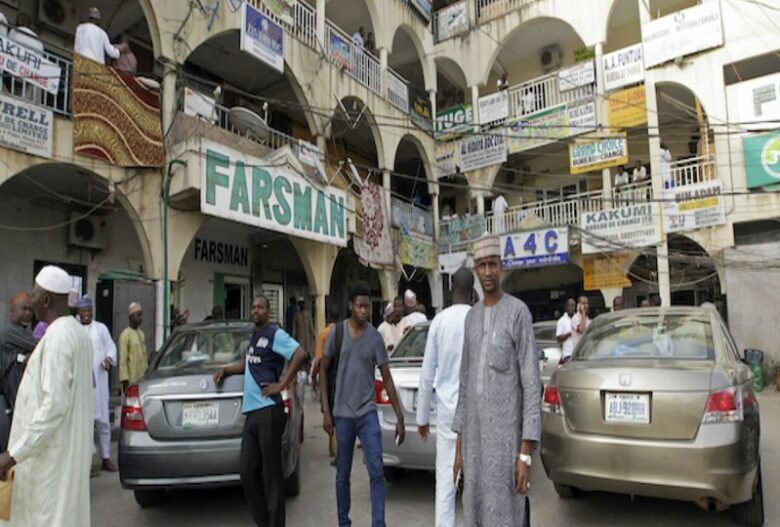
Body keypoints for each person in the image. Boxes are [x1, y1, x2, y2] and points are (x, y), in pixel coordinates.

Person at [452, 234, 540, 526]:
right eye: (481, 265)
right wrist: (459, 451)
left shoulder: (518, 313)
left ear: (501, 266)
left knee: (508, 516)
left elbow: (530, 385)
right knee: (475, 514)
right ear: (475, 269)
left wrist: (525, 455)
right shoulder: (471, 318)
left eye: (492, 264)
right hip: (475, 448)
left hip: (506, 447)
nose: (487, 272)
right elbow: (465, 384)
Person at [0, 265, 94, 526]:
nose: (31, 300)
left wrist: (13, 454)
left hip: (49, 461)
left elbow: (54, 406)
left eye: (34, 294)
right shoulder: (76, 333)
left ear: (46, 299)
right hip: (62, 455)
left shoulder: (58, 338)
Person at [214, 296, 307, 527]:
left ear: (268, 311)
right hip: (253, 413)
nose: (256, 310)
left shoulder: (274, 334)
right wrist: (226, 369)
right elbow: (249, 364)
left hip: (269, 411)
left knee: (271, 475)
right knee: (246, 470)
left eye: (261, 307)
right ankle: (265, 522)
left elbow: (300, 354)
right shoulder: (254, 336)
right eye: (253, 307)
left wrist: (282, 384)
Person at [319, 282, 406, 527]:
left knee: (377, 471)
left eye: (367, 307)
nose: (364, 311)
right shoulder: (337, 333)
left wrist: (399, 416)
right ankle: (343, 522)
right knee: (342, 474)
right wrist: (326, 410)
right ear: (350, 306)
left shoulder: (375, 337)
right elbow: (323, 370)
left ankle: (379, 523)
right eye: (359, 306)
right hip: (342, 414)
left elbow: (386, 377)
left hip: (368, 413)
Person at [417, 267, 474, 527]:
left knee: (445, 487)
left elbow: (427, 374)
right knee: (475, 486)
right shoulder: (479, 318)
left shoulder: (440, 321)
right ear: (473, 293)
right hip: (476, 414)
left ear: (451, 291)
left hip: (447, 416)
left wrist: (422, 418)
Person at [78, 295, 117, 472]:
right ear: (79, 312)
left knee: (103, 423)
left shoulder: (101, 329)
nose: (87, 314)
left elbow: (111, 347)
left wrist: (108, 359)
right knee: (84, 425)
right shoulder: (75, 329)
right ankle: (84, 464)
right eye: (84, 311)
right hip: (82, 386)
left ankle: (106, 458)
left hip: (100, 384)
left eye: (89, 311)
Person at [311, 304, 340, 462]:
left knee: (328, 409)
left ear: (328, 317)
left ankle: (333, 448)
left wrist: (314, 376)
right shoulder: (343, 333)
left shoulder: (324, 333)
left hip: (327, 375)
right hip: (340, 375)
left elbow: (319, 358)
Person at [0, 293, 36, 409]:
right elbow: (40, 345)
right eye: (24, 309)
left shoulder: (24, 332)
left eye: (30, 310)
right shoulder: (10, 331)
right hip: (16, 397)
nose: (28, 313)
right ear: (12, 310)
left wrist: (32, 355)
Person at [119, 302, 148, 392]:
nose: (141, 318)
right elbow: (123, 360)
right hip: (131, 380)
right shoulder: (125, 335)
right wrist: (124, 379)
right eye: (138, 315)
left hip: (142, 378)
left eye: (141, 315)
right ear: (131, 317)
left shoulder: (141, 333)